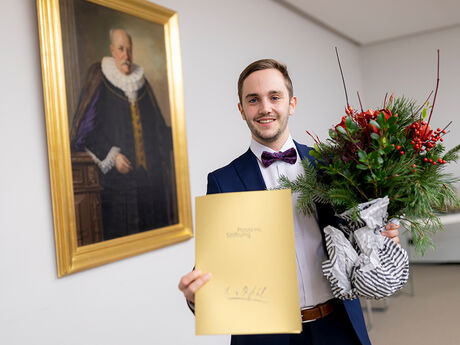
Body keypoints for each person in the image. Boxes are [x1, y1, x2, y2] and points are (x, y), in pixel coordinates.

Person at [179, 59, 400, 345]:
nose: (265, 108)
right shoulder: (223, 181)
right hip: (265, 335)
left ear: (291, 104)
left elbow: (358, 239)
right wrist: (197, 298)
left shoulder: (332, 165)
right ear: (242, 110)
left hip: (338, 325)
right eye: (253, 100)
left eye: (274, 97)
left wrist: (382, 241)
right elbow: (216, 273)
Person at [70, 29, 177, 241]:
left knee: (152, 236)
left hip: (147, 180)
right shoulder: (100, 77)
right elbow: (85, 129)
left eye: (129, 50)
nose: (126, 55)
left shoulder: (141, 81)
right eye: (121, 49)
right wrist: (112, 155)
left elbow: (157, 126)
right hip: (115, 184)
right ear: (112, 50)